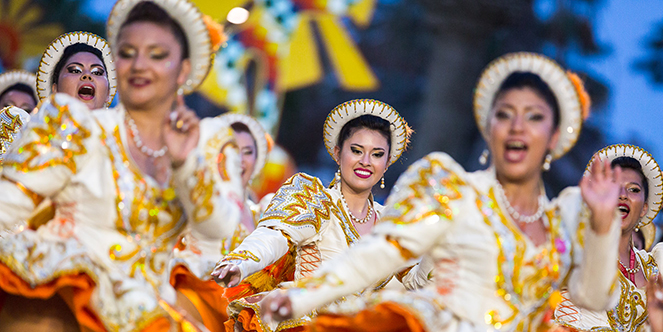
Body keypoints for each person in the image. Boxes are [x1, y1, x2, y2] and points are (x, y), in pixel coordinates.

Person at [260, 52, 623, 332]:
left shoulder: (564, 217)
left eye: (534, 117)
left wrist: (605, 227)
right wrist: (301, 296)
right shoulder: (451, 189)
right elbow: (378, 254)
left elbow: (595, 297)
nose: (517, 127)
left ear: (554, 136)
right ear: (488, 126)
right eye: (505, 114)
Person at [0, 0, 242, 331]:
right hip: (63, 290)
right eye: (128, 53)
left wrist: (186, 164)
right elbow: (8, 203)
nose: (140, 64)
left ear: (183, 69)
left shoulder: (209, 142)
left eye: (157, 54)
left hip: (146, 309)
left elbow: (219, 231)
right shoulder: (78, 126)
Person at [212, 99, 411, 332]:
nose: (365, 162)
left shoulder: (392, 222)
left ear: (387, 163)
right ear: (338, 153)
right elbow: (273, 236)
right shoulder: (314, 200)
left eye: (377, 154)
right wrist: (242, 262)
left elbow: (418, 281)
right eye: (356, 151)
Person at [554, 144, 663, 332]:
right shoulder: (577, 246)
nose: (623, 195)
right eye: (615, 187)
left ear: (644, 208)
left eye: (634, 190)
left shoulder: (655, 267)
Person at [36, 31, 117, 110]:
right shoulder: (34, 123)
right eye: (75, 71)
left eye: (97, 72)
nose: (87, 75)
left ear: (107, 94)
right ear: (55, 89)